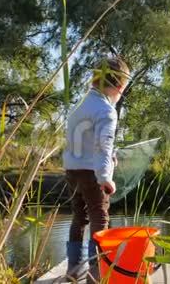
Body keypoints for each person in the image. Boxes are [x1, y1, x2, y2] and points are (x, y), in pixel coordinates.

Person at [62, 58, 130, 282]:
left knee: (79, 217)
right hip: (93, 173)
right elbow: (103, 146)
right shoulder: (106, 111)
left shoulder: (78, 106)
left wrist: (108, 159)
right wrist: (105, 177)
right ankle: (96, 274)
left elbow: (83, 143)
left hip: (72, 170)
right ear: (119, 86)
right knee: (100, 218)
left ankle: (73, 271)